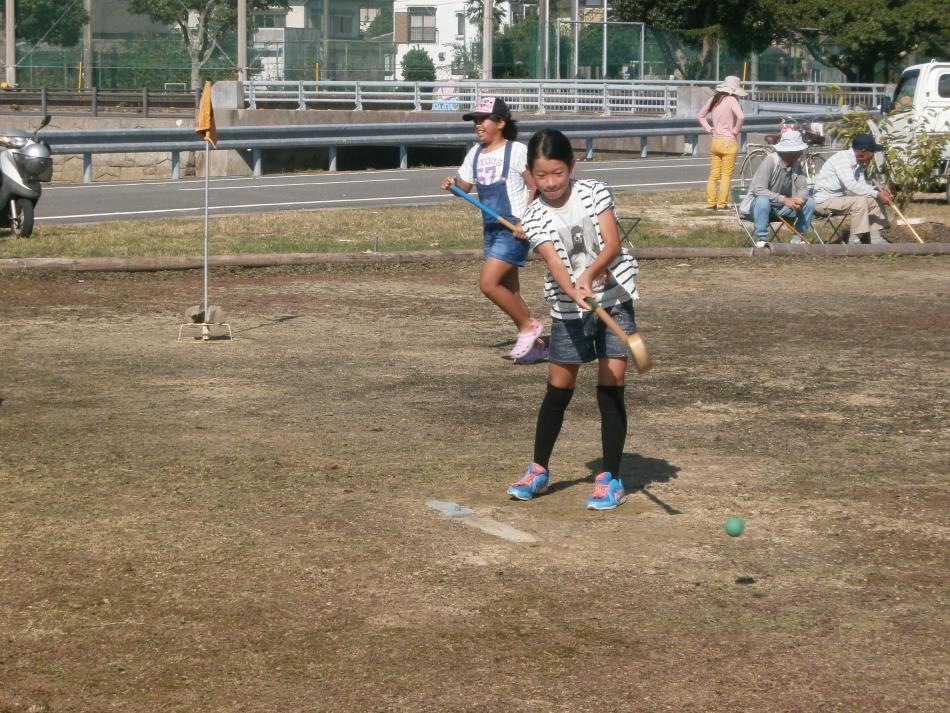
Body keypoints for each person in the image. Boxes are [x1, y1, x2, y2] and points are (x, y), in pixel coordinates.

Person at [506, 128, 641, 511]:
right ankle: (538, 469)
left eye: (558, 173)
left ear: (572, 166)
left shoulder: (595, 191)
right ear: (531, 175)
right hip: (568, 308)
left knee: (611, 384)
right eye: (541, 175)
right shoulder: (533, 217)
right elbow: (552, 261)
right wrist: (573, 288)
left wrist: (591, 274)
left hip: (614, 298)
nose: (550, 183)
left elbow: (612, 243)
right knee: (558, 388)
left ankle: (611, 476)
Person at [441, 96, 545, 363]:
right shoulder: (474, 153)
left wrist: (526, 221)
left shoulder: (517, 151)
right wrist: (452, 184)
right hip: (491, 228)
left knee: (488, 284)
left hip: (513, 227)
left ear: (500, 122)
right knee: (510, 291)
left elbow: (535, 186)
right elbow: (463, 188)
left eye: (483, 119)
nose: (477, 125)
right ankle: (536, 346)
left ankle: (527, 327)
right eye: (475, 120)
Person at [738, 130, 816, 248]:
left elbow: (803, 188)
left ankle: (797, 238)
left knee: (809, 202)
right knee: (762, 200)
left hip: (782, 209)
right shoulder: (770, 161)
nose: (801, 152)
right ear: (789, 151)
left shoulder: (796, 164)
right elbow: (758, 189)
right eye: (798, 149)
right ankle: (762, 239)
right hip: (760, 209)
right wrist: (784, 200)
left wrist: (799, 199)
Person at [812, 133, 892, 244]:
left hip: (837, 200)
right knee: (860, 202)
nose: (873, 155)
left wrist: (878, 191)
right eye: (872, 151)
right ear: (864, 151)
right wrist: (876, 193)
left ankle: (876, 239)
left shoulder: (857, 164)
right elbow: (851, 185)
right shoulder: (843, 159)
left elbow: (861, 186)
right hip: (823, 202)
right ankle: (854, 240)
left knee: (873, 199)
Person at [697, 75, 746, 210]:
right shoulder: (732, 100)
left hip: (716, 141)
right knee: (726, 175)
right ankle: (722, 204)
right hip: (729, 142)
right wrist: (735, 130)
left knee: (713, 175)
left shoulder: (714, 99)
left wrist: (709, 129)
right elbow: (741, 116)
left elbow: (700, 115)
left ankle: (711, 203)